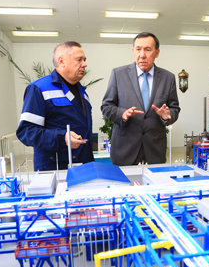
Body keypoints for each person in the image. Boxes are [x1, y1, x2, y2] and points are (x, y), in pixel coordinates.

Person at [101, 32, 181, 166]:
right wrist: (122, 114)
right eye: (138, 49)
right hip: (124, 150)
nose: (142, 55)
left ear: (157, 53)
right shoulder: (118, 74)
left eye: (148, 50)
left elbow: (174, 109)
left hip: (155, 150)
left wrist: (167, 116)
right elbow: (106, 106)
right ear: (133, 51)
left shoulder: (168, 78)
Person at [16, 41, 94, 171]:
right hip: (55, 168)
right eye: (79, 60)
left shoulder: (82, 92)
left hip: (84, 165)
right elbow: (26, 132)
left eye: (84, 60)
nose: (84, 64)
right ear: (61, 61)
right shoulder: (39, 88)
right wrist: (62, 137)